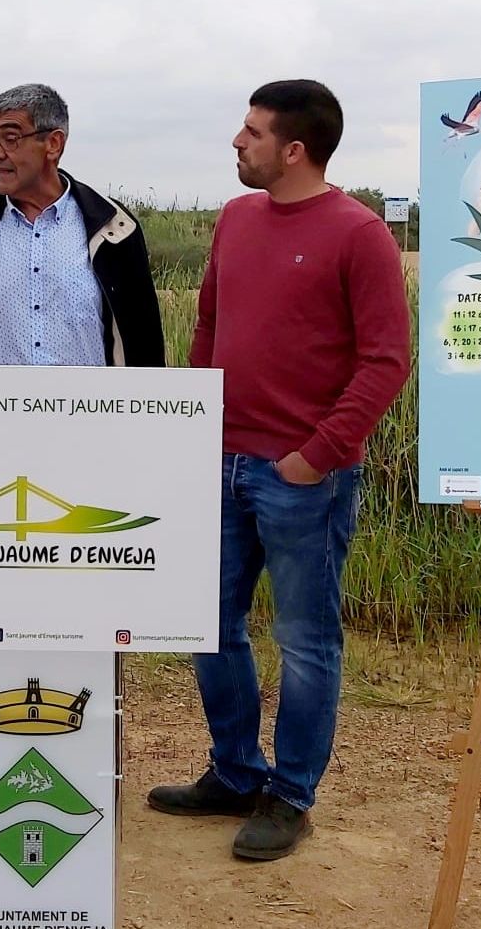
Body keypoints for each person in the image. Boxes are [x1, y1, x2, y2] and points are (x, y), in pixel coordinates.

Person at [148, 80, 413, 860]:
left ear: (294, 150)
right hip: (221, 462)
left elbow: (386, 361)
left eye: (252, 132)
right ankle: (234, 772)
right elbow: (208, 326)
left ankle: (290, 794)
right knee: (207, 626)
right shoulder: (235, 219)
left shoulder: (359, 234)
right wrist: (196, 423)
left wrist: (315, 456)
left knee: (305, 641)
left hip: (303, 477)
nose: (237, 141)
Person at [0, 83, 163, 368]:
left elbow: (145, 350)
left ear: (53, 144)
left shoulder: (114, 229)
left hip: (89, 411)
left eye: (10, 138)